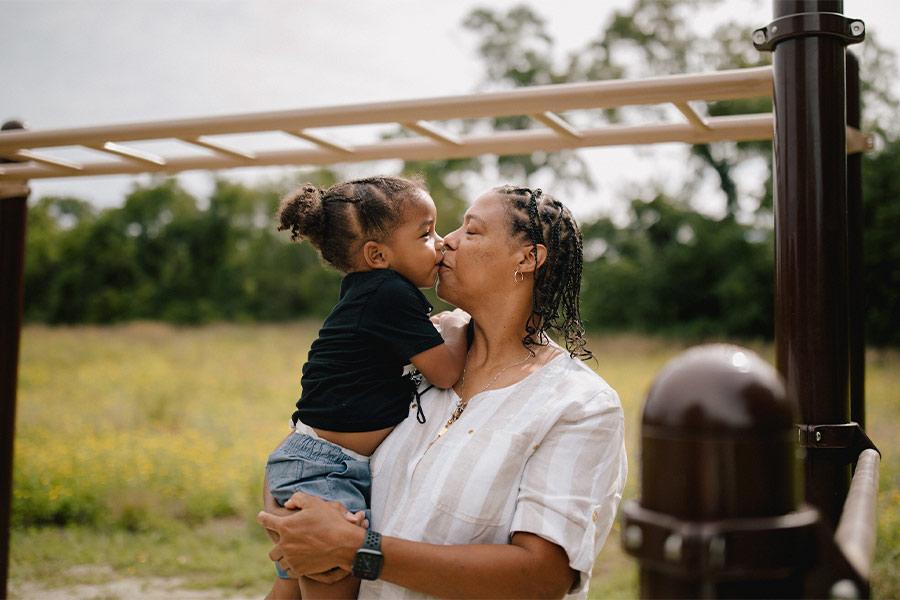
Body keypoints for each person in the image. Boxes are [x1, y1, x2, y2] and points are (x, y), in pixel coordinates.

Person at [258, 185, 628, 599]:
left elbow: (544, 577)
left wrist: (358, 551)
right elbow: (313, 445)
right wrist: (292, 526)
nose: (447, 240)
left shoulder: (578, 404)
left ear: (527, 257)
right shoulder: (411, 354)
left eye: (471, 231)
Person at [265, 176, 470, 600]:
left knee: (289, 594)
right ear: (377, 254)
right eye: (425, 233)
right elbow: (447, 372)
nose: (441, 243)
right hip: (325, 471)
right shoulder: (390, 294)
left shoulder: (369, 290)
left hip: (311, 460)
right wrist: (455, 325)